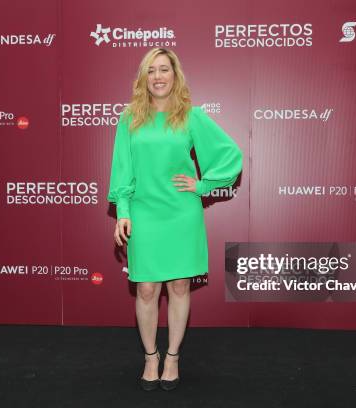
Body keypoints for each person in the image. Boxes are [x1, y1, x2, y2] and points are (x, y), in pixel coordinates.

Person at [107, 47, 243, 391]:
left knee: (180, 286)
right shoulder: (129, 119)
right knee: (147, 289)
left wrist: (202, 185)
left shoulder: (191, 116)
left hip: (181, 214)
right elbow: (122, 172)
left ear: (175, 75)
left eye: (164, 69)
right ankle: (150, 356)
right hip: (144, 213)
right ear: (144, 78)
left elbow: (230, 155)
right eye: (151, 70)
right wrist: (123, 212)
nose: (157, 77)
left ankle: (173, 357)